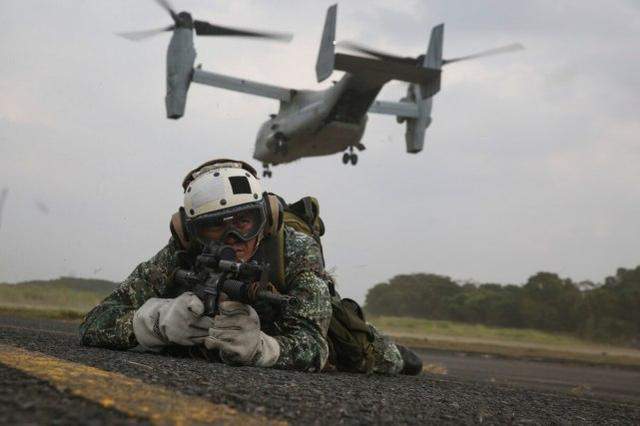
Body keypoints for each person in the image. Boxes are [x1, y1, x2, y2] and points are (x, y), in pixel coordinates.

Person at [80, 159, 422, 374]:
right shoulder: (178, 254)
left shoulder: (296, 249)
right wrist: (150, 323)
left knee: (366, 352)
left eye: (245, 221)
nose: (233, 238)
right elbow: (96, 321)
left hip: (299, 325)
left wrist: (264, 349)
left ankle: (400, 355)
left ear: (267, 217)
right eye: (215, 226)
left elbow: (314, 346)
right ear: (191, 232)